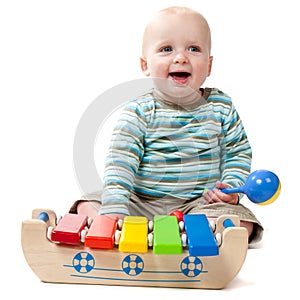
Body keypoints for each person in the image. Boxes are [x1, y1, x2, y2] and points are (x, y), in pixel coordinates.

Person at [70, 6, 263, 243]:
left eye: (193, 49)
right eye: (166, 49)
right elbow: (121, 163)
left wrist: (231, 189)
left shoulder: (221, 106)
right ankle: (117, 227)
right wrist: (116, 206)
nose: (181, 57)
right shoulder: (139, 110)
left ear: (209, 65)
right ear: (145, 65)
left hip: (199, 204)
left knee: (243, 221)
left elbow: (238, 152)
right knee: (88, 202)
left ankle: (193, 231)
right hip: (141, 203)